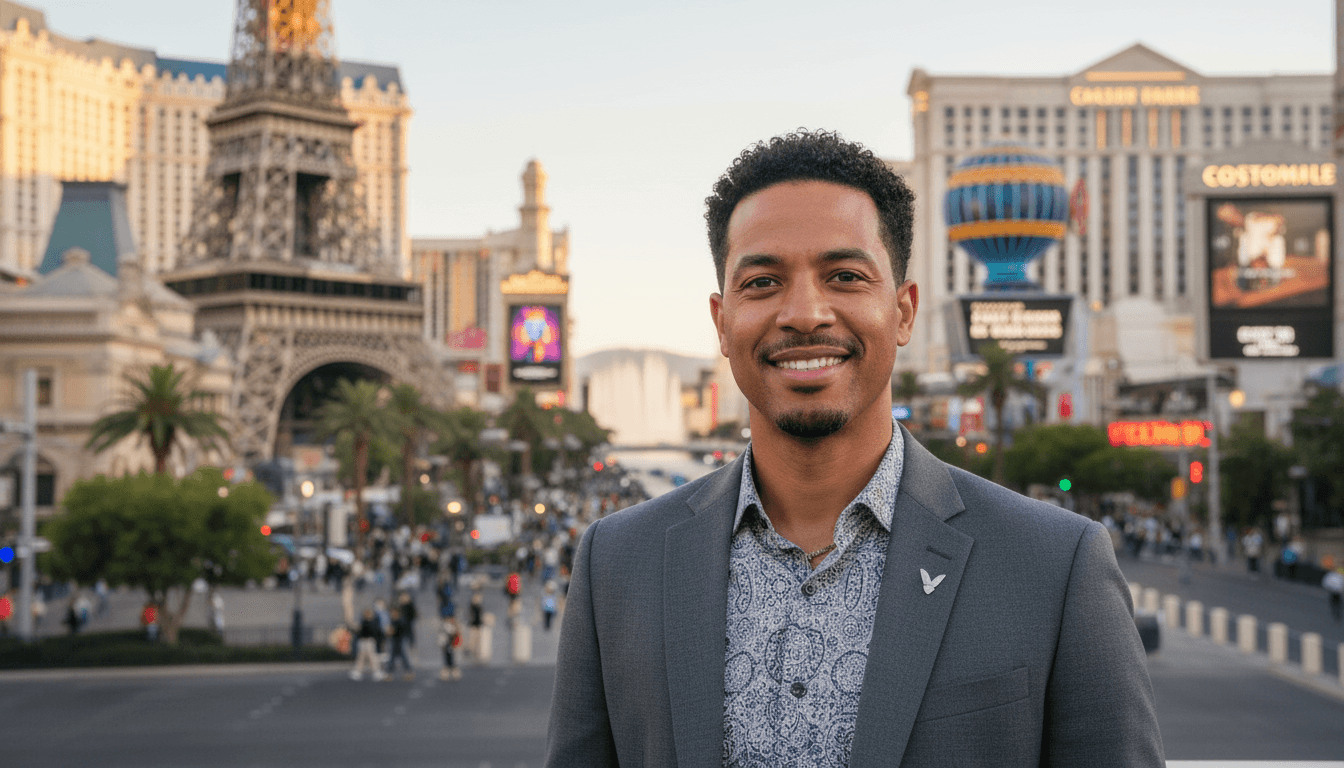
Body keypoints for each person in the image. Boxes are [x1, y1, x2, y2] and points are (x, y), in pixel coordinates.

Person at [544, 131, 1164, 767]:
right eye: (762, 282)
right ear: (722, 322)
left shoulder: (1056, 566)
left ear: (902, 311)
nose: (805, 313)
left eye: (844, 276)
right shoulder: (618, 564)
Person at [350, 608, 385, 681]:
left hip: (369, 641)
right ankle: (358, 671)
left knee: (371, 657)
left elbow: (375, 632)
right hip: (364, 641)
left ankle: (375, 671)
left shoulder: (371, 622)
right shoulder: (364, 622)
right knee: (363, 657)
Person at [385, 607, 414, 680]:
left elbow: (397, 630)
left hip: (400, 640)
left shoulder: (401, 620)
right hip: (394, 640)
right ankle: (389, 672)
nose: (392, 614)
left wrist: (391, 631)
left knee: (403, 656)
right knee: (392, 657)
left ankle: (408, 672)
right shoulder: (393, 620)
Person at [438, 614, 462, 680]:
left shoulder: (450, 625)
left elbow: (454, 634)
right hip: (446, 644)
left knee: (451, 658)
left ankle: (452, 671)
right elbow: (442, 636)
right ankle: (449, 671)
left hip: (450, 644)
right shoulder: (445, 625)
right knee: (448, 658)